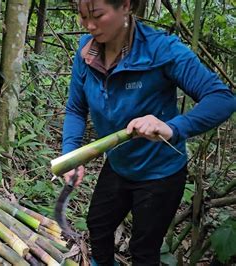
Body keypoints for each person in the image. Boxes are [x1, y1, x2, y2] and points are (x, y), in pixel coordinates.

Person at [61, 0, 236, 265]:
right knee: (98, 227)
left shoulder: (161, 50)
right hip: (119, 164)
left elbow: (222, 98)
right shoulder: (87, 52)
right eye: (82, 16)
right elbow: (76, 108)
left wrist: (173, 127)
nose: (89, 25)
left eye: (97, 15)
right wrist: (72, 153)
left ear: (126, 6)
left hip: (160, 172)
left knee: (144, 250)